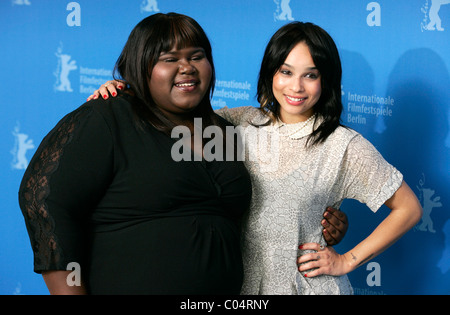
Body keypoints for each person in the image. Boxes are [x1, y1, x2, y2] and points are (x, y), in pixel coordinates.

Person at [18, 13, 345, 295]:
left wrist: (322, 221)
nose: (186, 67)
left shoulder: (225, 130)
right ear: (140, 67)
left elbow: (260, 208)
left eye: (196, 55)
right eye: (169, 58)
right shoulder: (109, 118)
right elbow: (43, 199)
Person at [91, 21, 422, 295]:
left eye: (310, 74)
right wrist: (127, 92)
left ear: (326, 81)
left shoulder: (344, 145)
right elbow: (172, 115)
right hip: (239, 289)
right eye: (286, 71)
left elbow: (409, 208)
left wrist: (347, 260)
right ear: (270, 74)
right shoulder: (240, 123)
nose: (296, 86)